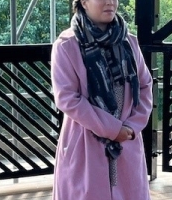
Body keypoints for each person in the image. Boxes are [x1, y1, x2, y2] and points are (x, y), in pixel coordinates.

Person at [50, 0, 153, 199]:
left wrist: (131, 127)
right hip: (84, 144)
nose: (110, 2)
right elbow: (68, 99)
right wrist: (113, 130)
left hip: (127, 139)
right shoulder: (67, 45)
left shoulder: (129, 42)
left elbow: (145, 86)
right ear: (83, 2)